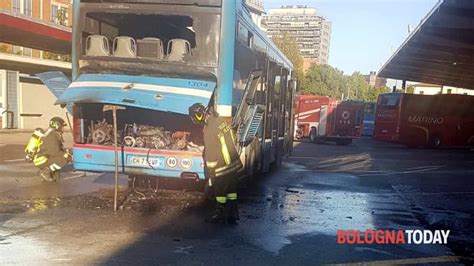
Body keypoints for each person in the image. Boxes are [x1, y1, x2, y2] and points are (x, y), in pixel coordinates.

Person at [189, 103, 243, 224]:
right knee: (231, 190)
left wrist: (211, 173)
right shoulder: (220, 121)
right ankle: (233, 213)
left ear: (198, 115)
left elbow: (212, 153)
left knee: (220, 192)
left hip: (222, 166)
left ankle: (220, 214)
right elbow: (232, 139)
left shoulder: (209, 129)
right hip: (233, 162)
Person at [32, 117, 71, 182]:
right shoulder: (51, 136)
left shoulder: (53, 134)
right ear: (57, 126)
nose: (64, 129)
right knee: (64, 158)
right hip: (42, 159)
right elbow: (54, 152)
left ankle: (49, 172)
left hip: (44, 157)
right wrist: (67, 155)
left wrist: (66, 151)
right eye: (62, 127)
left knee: (63, 157)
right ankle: (45, 171)